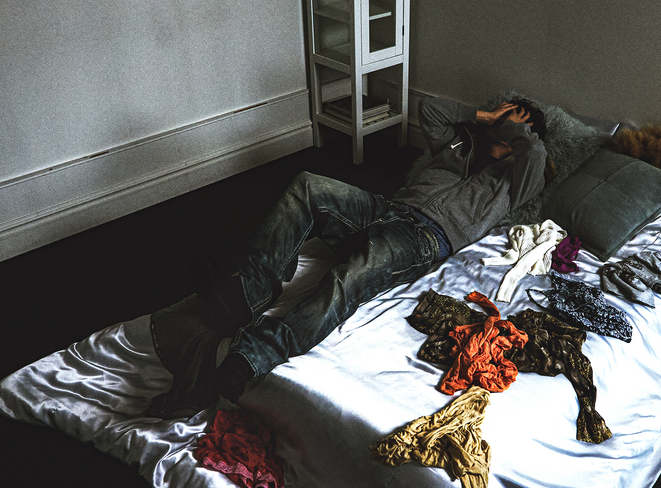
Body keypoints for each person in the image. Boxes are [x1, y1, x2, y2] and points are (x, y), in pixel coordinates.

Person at [147, 96, 549, 416]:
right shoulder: (460, 142)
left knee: (350, 276)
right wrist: (483, 116)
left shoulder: (517, 178)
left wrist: (518, 129)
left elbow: (534, 154)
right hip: (385, 208)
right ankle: (247, 294)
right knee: (308, 186)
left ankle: (253, 356)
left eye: (517, 120)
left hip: (425, 237)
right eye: (505, 114)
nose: (506, 122)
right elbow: (428, 108)